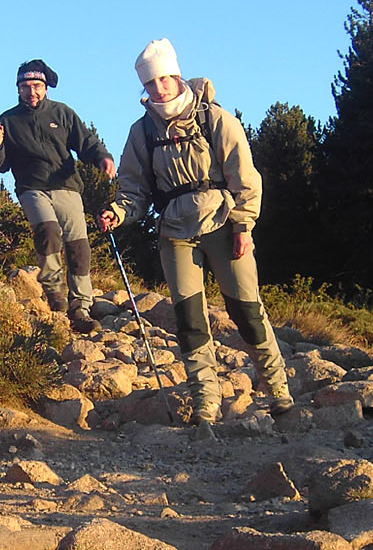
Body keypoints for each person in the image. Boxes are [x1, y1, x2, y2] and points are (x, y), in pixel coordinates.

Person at [97, 39, 292, 424]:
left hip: (224, 223)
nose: (158, 88)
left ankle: (278, 391)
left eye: (164, 79)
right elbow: (133, 189)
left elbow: (245, 178)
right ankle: (206, 403)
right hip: (174, 231)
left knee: (247, 310)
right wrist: (118, 213)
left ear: (177, 75)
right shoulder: (141, 133)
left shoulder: (215, 119)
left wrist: (243, 225)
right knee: (189, 319)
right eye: (150, 83)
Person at [0, 59, 115, 333]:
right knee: (48, 230)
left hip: (66, 185)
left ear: (45, 88)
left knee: (78, 246)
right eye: (25, 86)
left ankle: (80, 307)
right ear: (18, 89)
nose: (31, 92)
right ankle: (55, 294)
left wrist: (102, 157)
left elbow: (86, 141)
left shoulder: (62, 113)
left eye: (37, 86)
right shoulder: (7, 120)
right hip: (31, 187)